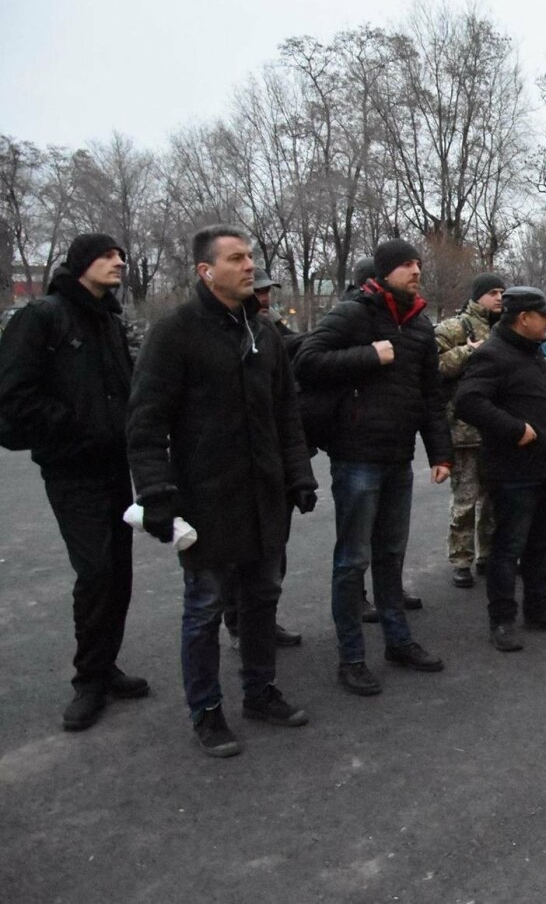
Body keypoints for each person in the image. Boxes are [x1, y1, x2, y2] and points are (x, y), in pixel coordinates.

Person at [127, 225, 318, 756]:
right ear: (206, 271)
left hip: (264, 497)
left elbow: (286, 414)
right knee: (205, 609)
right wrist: (156, 492)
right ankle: (206, 711)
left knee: (261, 600)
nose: (249, 265)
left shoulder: (264, 332)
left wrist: (299, 474)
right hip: (206, 499)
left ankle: (260, 692)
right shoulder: (175, 333)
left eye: (250, 256)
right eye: (236, 258)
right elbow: (145, 421)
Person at [0, 233, 149, 732]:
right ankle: (89, 681)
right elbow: (14, 394)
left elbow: (123, 389)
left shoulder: (108, 319)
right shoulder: (43, 316)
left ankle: (105, 666)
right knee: (97, 571)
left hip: (113, 465)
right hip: (71, 468)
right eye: (107, 256)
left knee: (119, 572)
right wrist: (76, 427)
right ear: (82, 263)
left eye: (120, 255)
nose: (119, 262)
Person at [295, 239, 451, 697]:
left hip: (398, 457)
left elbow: (431, 395)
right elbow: (307, 360)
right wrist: (368, 354)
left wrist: (440, 453)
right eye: (406, 264)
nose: (416, 271)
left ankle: (398, 642)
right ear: (384, 272)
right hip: (356, 456)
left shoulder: (420, 325)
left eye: (418, 263)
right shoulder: (354, 314)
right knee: (352, 561)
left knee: (391, 555)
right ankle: (352, 657)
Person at [454, 287, 546, 651]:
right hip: (514, 470)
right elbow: (468, 401)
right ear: (524, 318)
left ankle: (538, 609)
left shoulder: (533, 351)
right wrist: (515, 429)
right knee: (508, 547)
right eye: (544, 315)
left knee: (540, 543)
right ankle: (502, 619)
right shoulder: (494, 353)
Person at [223, 265, 303, 649]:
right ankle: (239, 624)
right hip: (234, 464)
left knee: (274, 551)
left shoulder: (269, 328)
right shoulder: (218, 332)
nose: (265, 296)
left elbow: (287, 399)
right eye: (258, 290)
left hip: (274, 460)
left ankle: (263, 621)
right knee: (237, 554)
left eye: (268, 290)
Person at [435, 273, 505, 590]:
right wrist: (468, 350)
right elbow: (435, 367)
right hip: (464, 430)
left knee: (493, 499)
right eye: (493, 292)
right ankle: (461, 559)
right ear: (477, 296)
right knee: (465, 500)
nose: (499, 298)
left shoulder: (504, 329)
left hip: (497, 428)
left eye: (502, 292)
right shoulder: (453, 328)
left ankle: (487, 554)